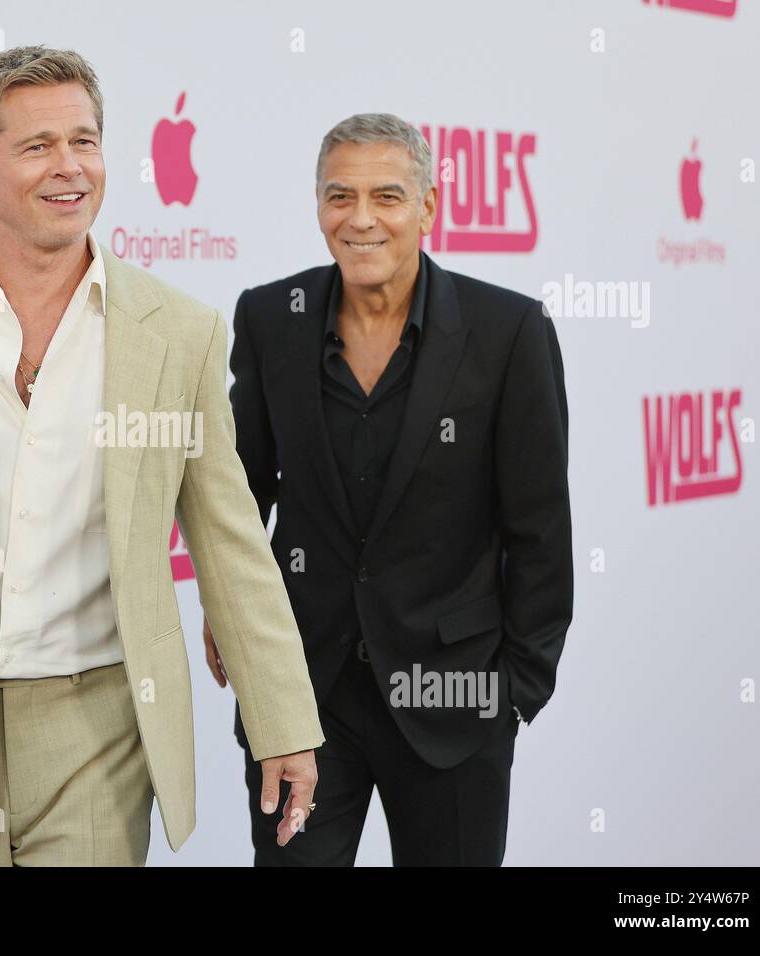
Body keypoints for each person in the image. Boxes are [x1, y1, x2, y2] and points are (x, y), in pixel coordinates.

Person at [0, 45, 323, 866]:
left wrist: (282, 718)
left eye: (85, 140)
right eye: (37, 146)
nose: (68, 167)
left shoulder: (178, 331)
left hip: (99, 735)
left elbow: (229, 539)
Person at [209, 112, 572, 866]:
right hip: (303, 691)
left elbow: (540, 526)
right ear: (318, 208)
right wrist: (230, 616)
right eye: (340, 196)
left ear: (429, 208)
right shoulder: (274, 317)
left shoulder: (507, 331)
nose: (361, 218)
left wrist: (515, 693)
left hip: (455, 700)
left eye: (388, 196)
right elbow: (237, 499)